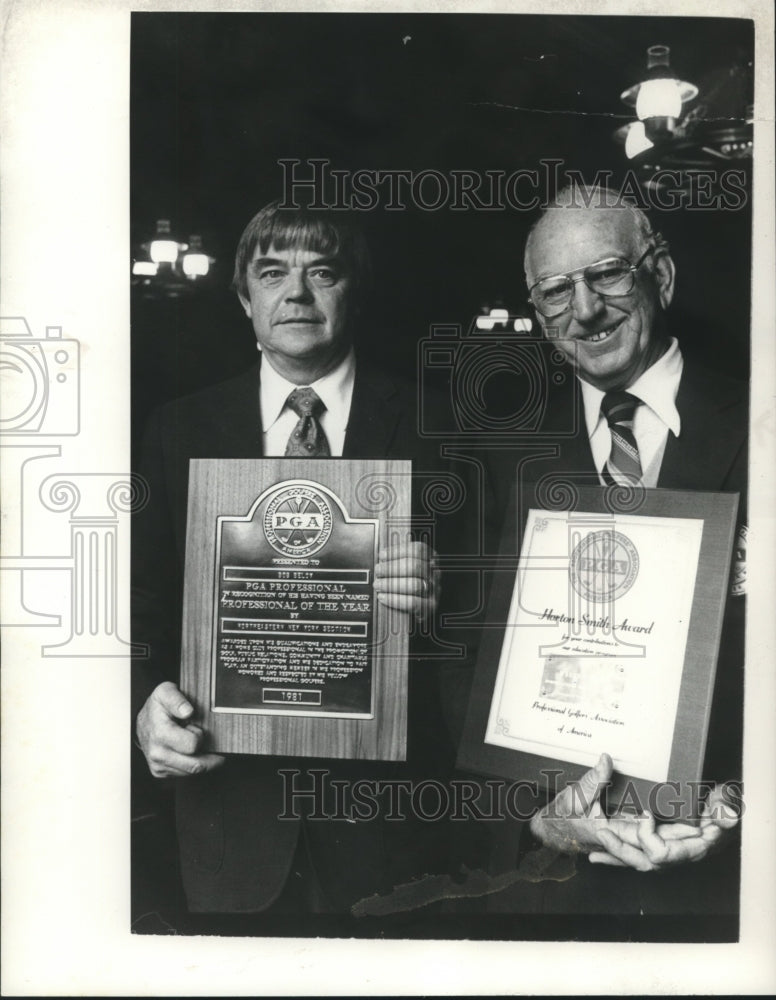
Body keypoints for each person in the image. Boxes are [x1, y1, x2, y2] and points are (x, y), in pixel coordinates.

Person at [132, 201, 456, 926]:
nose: (297, 293)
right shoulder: (178, 428)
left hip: (390, 831)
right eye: (273, 272)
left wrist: (441, 598)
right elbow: (138, 610)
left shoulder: (439, 427)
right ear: (245, 298)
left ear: (355, 292)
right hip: (230, 821)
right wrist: (143, 707)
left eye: (323, 272)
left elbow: (494, 628)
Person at [481, 185, 746, 917]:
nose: (586, 311)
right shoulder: (504, 456)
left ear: (659, 274)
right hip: (549, 890)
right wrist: (535, 815)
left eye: (607, 274)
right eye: (556, 292)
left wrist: (741, 801)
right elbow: (469, 667)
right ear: (537, 316)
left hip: (731, 889)